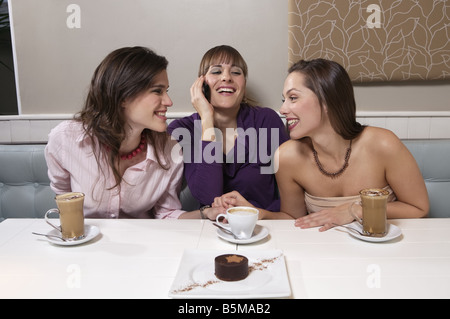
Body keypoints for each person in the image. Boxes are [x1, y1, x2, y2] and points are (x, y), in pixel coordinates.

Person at [216, 58, 429, 230]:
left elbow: (418, 208)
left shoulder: (382, 144)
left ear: (326, 100)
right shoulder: (288, 156)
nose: (283, 110)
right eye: (284, 100)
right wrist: (259, 214)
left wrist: (356, 209)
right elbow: (293, 219)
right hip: (326, 257)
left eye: (293, 98)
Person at [45, 46, 212, 219]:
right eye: (157, 91)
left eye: (166, 91)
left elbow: (166, 215)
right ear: (123, 96)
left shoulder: (170, 149)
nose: (168, 101)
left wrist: (207, 213)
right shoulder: (65, 139)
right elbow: (66, 205)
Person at [168, 45, 289, 219]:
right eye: (216, 71)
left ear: (244, 85)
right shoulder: (182, 130)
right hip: (210, 231)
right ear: (201, 84)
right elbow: (208, 196)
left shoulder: (266, 121)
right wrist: (207, 120)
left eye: (236, 72)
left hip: (265, 227)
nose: (226, 77)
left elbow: (291, 198)